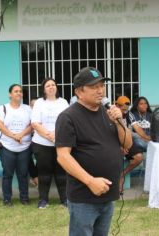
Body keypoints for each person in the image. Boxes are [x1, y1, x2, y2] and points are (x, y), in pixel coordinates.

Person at [55, 67, 132, 236]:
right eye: (94, 87)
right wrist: (90, 182)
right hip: (84, 197)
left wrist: (120, 122)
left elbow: (127, 143)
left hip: (108, 194)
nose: (100, 90)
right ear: (79, 92)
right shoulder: (68, 117)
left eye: (102, 85)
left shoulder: (108, 113)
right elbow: (63, 156)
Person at [31, 78, 69, 209]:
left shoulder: (63, 102)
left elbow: (67, 122)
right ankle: (43, 200)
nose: (51, 87)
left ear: (56, 87)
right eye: (48, 85)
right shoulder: (39, 103)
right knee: (44, 173)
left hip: (60, 143)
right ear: (44, 89)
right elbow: (35, 123)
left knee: (61, 173)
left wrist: (56, 136)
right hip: (41, 144)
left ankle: (64, 200)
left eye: (53, 84)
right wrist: (51, 136)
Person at [0, 84, 32, 206]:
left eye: (20, 91)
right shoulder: (2, 108)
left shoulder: (27, 108)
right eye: (16, 91)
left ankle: (24, 198)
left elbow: (32, 125)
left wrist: (21, 134)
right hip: (7, 147)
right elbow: (0, 125)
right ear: (10, 94)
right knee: (7, 174)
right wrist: (13, 136)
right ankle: (7, 199)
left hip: (24, 147)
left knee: (23, 174)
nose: (19, 93)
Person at [115, 96, 144, 193]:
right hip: (113, 142)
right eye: (122, 109)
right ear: (116, 105)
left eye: (126, 109)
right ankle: (115, 183)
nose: (124, 111)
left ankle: (122, 174)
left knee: (139, 157)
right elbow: (108, 133)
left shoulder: (129, 114)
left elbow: (135, 128)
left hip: (126, 141)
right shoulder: (111, 113)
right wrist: (119, 146)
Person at [28, 97, 38, 187]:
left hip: (40, 141)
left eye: (36, 105)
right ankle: (34, 177)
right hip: (28, 141)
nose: (34, 107)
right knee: (27, 158)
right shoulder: (27, 114)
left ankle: (36, 178)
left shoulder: (42, 114)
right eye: (32, 105)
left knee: (41, 159)